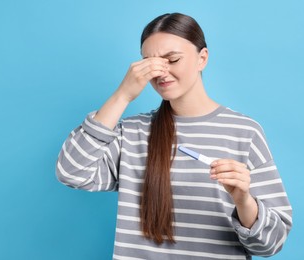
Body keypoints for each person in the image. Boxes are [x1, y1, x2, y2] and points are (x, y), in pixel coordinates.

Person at [56, 12, 292, 260]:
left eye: (173, 59)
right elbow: (72, 172)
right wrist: (122, 95)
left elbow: (271, 245)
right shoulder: (132, 133)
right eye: (149, 63)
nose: (160, 72)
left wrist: (244, 200)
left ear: (202, 58)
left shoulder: (245, 132)